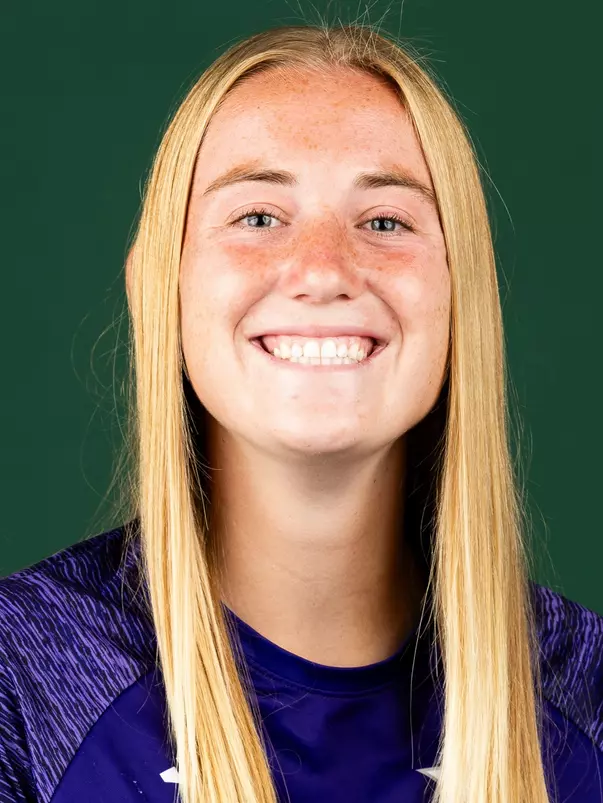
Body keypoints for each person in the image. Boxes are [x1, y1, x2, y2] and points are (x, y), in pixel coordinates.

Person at [0, 20, 602, 803]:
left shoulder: (582, 699)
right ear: (160, 288)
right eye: (257, 217)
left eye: (385, 221)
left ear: (464, 296)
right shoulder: (23, 677)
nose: (322, 270)